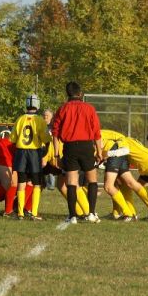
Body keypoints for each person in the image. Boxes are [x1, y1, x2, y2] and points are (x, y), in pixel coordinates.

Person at [52, 81, 103, 224]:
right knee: (92, 179)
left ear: (67, 94)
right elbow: (97, 132)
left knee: (71, 181)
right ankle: (92, 213)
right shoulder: (89, 108)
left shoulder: (62, 109)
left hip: (70, 147)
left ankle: (72, 216)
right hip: (87, 146)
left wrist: (56, 154)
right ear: (80, 94)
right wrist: (99, 151)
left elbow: (55, 134)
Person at [9, 94, 51, 220]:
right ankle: (34, 213)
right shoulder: (40, 120)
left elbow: (12, 139)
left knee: (21, 182)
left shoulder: (20, 119)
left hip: (21, 152)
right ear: (37, 105)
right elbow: (46, 139)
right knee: (36, 183)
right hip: (34, 153)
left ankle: (20, 213)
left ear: (26, 104)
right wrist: (46, 153)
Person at [43, 108, 56, 190]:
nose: (45, 117)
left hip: (52, 151)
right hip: (43, 151)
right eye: (44, 115)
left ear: (52, 117)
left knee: (52, 168)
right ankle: (44, 183)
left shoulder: (54, 126)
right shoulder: (41, 126)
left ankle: (51, 184)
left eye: (47, 115)